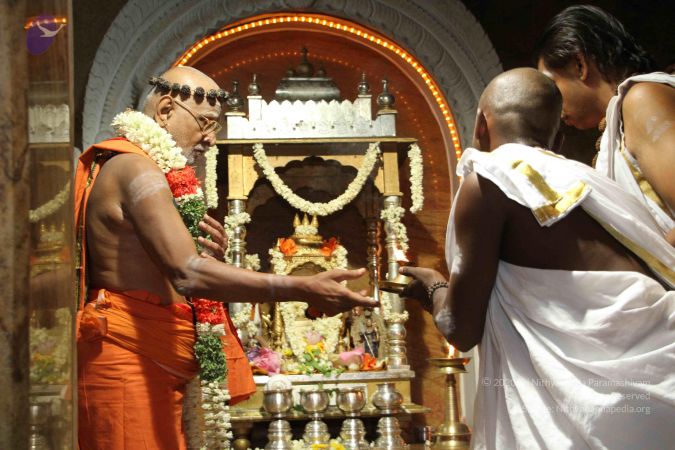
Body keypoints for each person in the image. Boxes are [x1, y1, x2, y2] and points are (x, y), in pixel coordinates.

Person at [75, 66, 376, 450]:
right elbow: (187, 273)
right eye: (204, 123)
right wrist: (301, 287)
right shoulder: (135, 167)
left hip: (158, 361)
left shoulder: (149, 173)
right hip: (127, 362)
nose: (210, 139)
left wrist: (192, 246)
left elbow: (168, 264)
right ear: (165, 110)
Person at [401, 68, 675, 449]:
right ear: (558, 139)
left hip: (601, 410)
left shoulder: (488, 178)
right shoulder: (592, 182)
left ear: (481, 126)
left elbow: (460, 328)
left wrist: (433, 287)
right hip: (659, 373)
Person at [534, 5, 675, 244]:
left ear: (579, 64)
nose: (555, 107)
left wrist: (646, 263)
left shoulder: (642, 99)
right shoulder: (622, 122)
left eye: (552, 86)